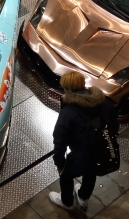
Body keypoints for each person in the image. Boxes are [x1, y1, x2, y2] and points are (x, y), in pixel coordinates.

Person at [49, 70, 118, 211]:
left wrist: (59, 162)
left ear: (66, 89)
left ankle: (67, 202)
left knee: (66, 174)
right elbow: (114, 125)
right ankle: (83, 197)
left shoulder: (68, 112)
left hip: (81, 153)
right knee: (91, 172)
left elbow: (59, 139)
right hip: (101, 151)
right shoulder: (104, 102)